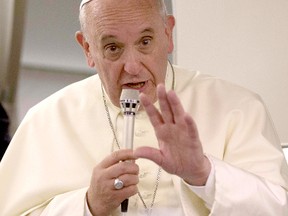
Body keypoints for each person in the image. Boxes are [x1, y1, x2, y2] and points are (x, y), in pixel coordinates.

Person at [0, 0, 287, 215]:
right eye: (113, 48)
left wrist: (205, 174)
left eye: (145, 42)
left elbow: (277, 208)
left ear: (168, 34)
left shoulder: (237, 107)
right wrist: (88, 204)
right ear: (87, 48)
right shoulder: (46, 120)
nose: (133, 66)